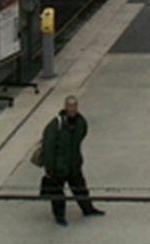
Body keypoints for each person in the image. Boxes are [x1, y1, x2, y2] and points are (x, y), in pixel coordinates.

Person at [39, 96, 104, 225]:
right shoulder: (55, 126)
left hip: (73, 164)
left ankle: (87, 209)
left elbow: (82, 134)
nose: (72, 109)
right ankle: (59, 215)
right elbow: (48, 148)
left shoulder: (80, 122)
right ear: (65, 107)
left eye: (74, 106)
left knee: (80, 188)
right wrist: (50, 169)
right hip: (59, 167)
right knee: (58, 194)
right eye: (70, 106)